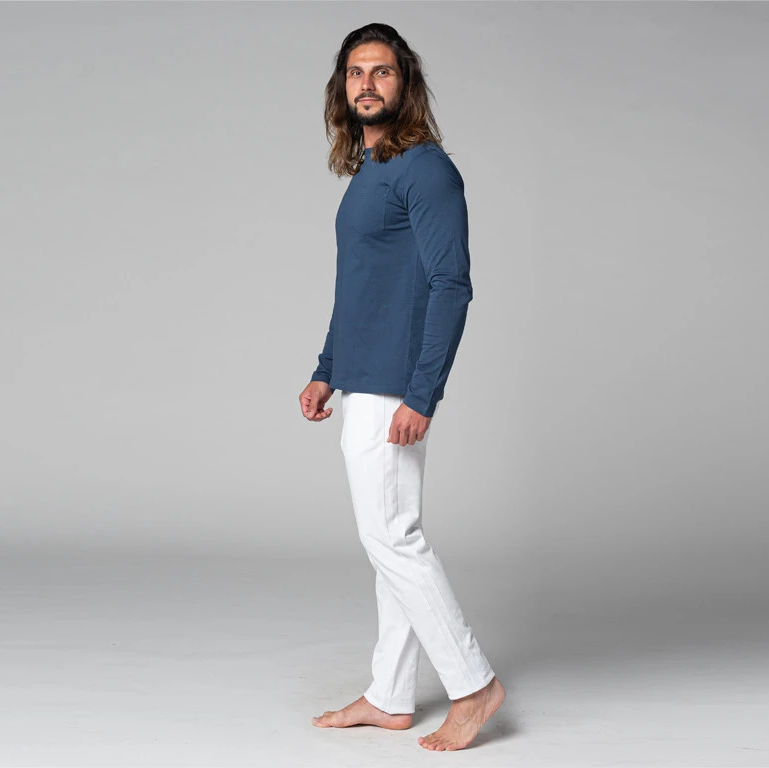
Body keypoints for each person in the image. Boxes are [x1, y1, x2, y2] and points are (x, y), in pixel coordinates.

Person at [298, 23, 506, 752]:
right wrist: (327, 367)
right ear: (342, 86)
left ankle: (474, 687)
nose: (367, 83)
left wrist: (424, 393)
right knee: (390, 540)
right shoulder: (370, 170)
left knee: (392, 539)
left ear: (405, 82)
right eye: (356, 72)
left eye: (381, 71)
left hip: (395, 384)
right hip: (362, 378)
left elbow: (452, 284)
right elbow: (358, 285)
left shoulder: (426, 169)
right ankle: (390, 696)